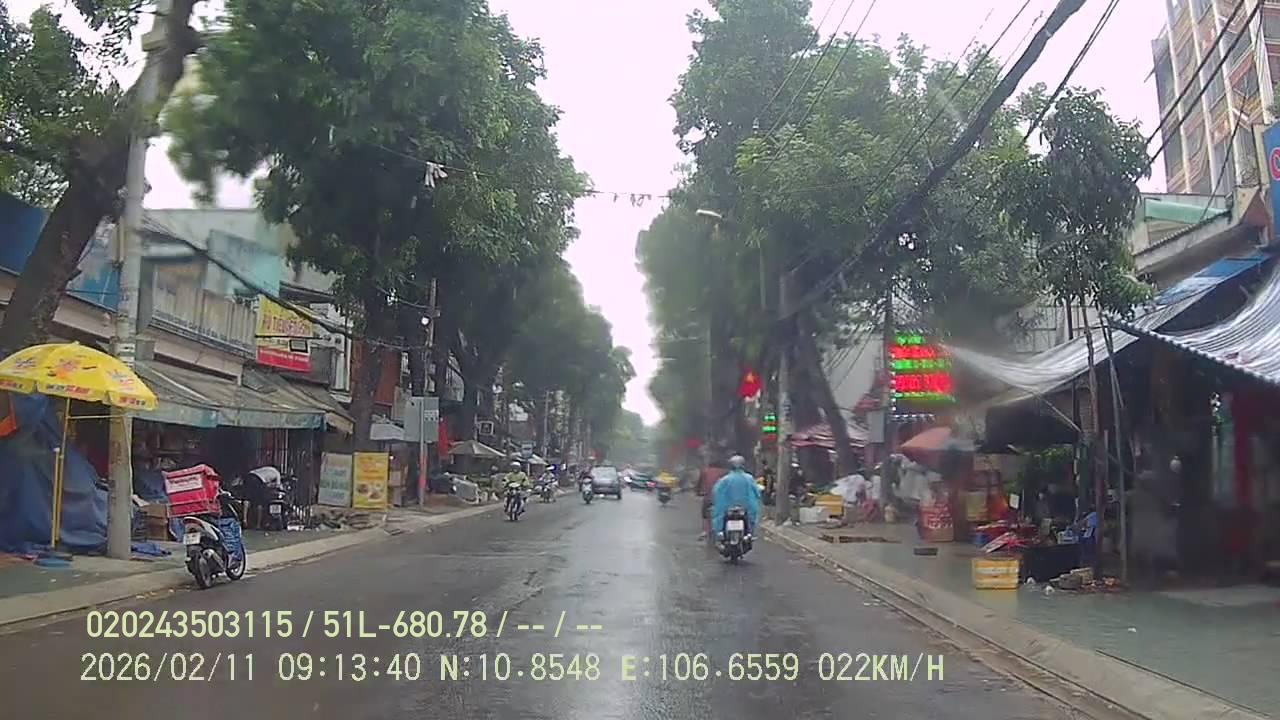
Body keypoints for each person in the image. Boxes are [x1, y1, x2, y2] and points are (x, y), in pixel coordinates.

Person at [711, 455, 761, 540]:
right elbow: (756, 492)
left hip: (727, 508)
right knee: (751, 517)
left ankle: (720, 532)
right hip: (746, 507)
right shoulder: (749, 478)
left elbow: (716, 491)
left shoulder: (725, 479)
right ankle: (749, 532)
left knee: (719, 515)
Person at [698, 459, 728, 540]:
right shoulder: (724, 473)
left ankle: (704, 531)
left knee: (704, 513)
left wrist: (698, 492)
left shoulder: (705, 471)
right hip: (721, 498)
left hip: (708, 497)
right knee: (724, 513)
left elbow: (700, 484)